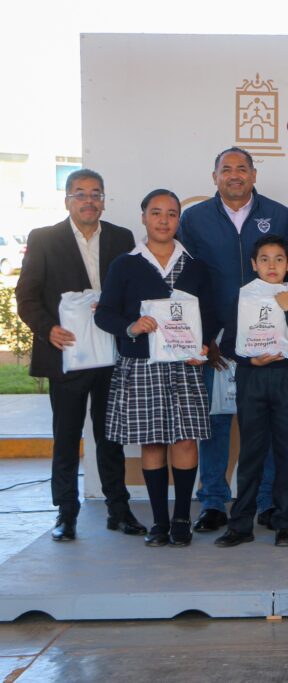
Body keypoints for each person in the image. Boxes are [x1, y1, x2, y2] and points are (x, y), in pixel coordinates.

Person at [16, 168, 143, 542]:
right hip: (66, 353)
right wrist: (47, 328)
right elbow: (26, 296)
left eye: (96, 194)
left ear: (104, 199)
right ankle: (66, 513)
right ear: (67, 200)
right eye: (80, 194)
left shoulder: (122, 238)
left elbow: (132, 293)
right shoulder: (44, 239)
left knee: (111, 435)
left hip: (111, 352)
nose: (89, 201)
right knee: (67, 435)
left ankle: (118, 509)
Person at [178, 147, 288, 534]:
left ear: (254, 174)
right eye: (226, 169)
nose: (234, 175)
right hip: (217, 341)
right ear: (214, 177)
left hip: (268, 342)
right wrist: (202, 336)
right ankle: (212, 501)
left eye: (241, 169)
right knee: (216, 422)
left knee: (263, 426)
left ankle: (265, 502)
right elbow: (187, 282)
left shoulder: (278, 214)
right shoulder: (194, 219)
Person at [95, 189, 215, 547]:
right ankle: (159, 522)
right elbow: (104, 314)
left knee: (185, 439)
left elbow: (208, 315)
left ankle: (181, 518)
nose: (164, 220)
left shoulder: (194, 266)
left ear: (179, 220)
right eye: (156, 213)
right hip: (141, 364)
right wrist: (132, 327)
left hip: (184, 364)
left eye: (172, 214)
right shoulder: (125, 264)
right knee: (152, 443)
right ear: (144, 217)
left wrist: (204, 345)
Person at [214, 235, 288, 548]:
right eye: (265, 259)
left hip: (287, 377)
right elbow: (228, 343)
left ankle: (284, 521)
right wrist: (250, 358)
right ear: (253, 264)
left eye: (279, 259)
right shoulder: (243, 297)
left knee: (287, 451)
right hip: (252, 378)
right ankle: (241, 523)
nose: (272, 266)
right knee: (251, 452)